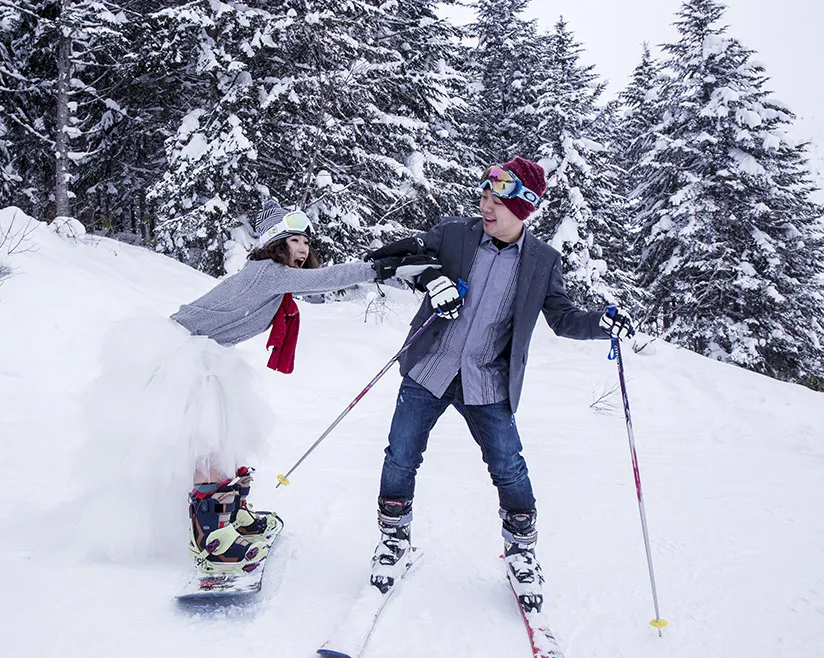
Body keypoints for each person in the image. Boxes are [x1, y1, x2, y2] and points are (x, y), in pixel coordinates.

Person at [364, 158, 635, 609]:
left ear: (523, 208)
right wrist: (433, 278)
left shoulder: (542, 261)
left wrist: (602, 324)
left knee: (509, 467)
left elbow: (563, 318)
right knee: (401, 455)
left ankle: (521, 551)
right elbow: (395, 257)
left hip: (486, 381)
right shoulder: (456, 234)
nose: (486, 206)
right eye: (484, 196)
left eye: (497, 201)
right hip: (429, 368)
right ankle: (393, 539)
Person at [169, 200, 438, 575]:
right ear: (275, 243)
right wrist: (380, 268)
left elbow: (318, 287)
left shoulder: (273, 278)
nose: (302, 248)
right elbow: (324, 279)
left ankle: (230, 517)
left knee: (224, 437)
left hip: (202, 355)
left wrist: (385, 270)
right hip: (179, 354)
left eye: (306, 242)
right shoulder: (268, 272)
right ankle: (209, 542)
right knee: (208, 445)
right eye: (294, 239)